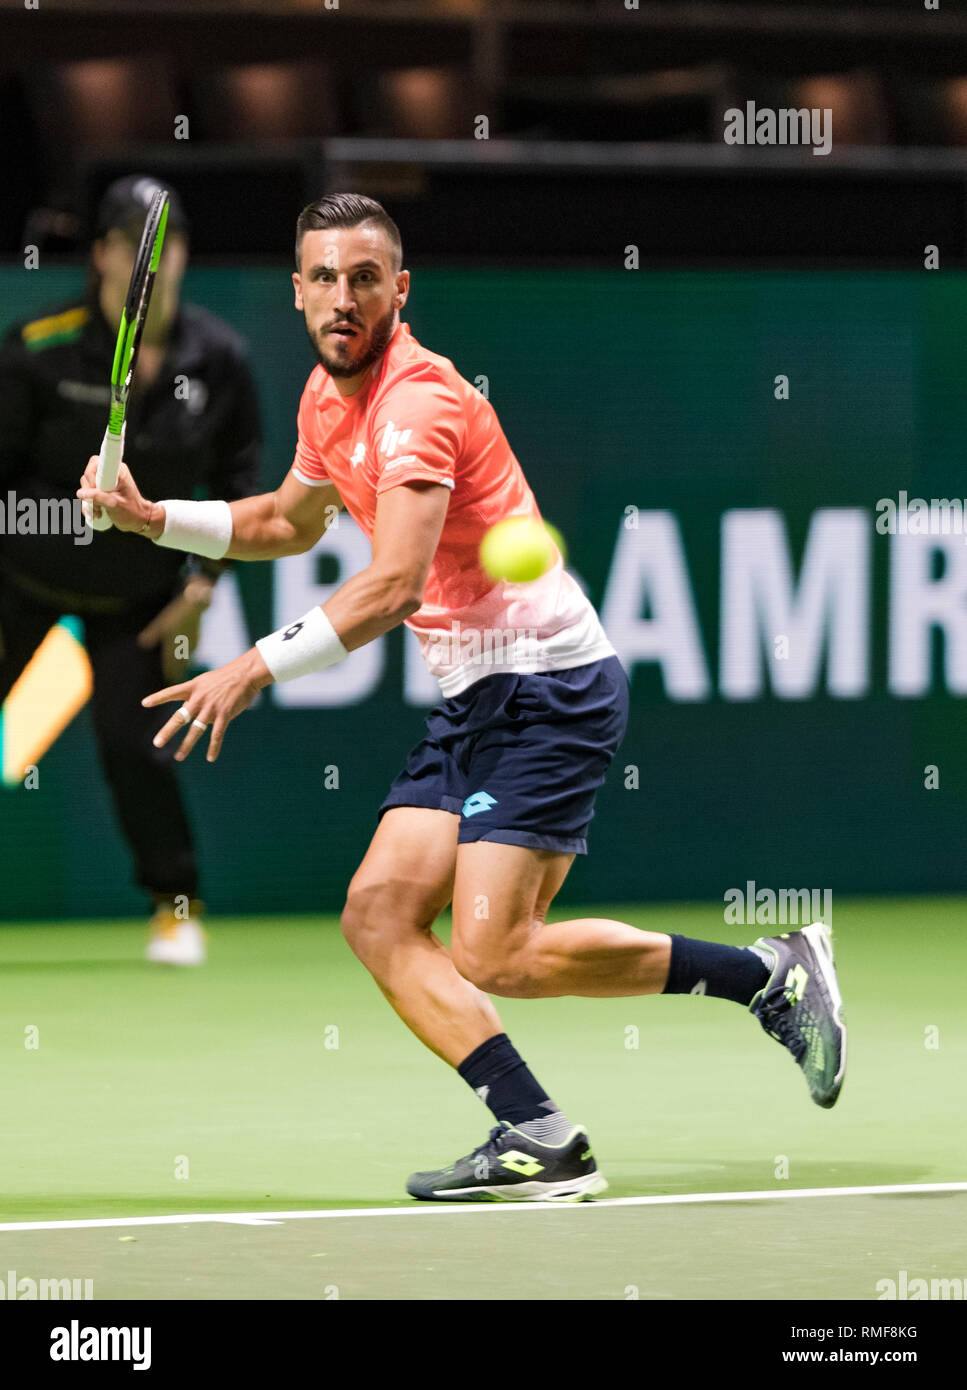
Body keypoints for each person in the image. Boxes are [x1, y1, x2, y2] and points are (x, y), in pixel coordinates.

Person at [77, 193, 847, 1200]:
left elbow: (392, 584)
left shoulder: (418, 401)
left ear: (400, 289)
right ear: (297, 291)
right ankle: (538, 1134)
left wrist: (253, 664)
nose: (342, 297)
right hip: (474, 698)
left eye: (365, 278)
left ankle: (768, 975)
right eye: (323, 278)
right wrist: (152, 518)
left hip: (547, 689)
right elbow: (285, 520)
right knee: (378, 914)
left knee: (498, 950)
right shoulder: (325, 396)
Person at [1, 174, 262, 965]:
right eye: (138, 246)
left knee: (135, 747)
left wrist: (200, 588)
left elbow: (239, 483)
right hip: (21, 583)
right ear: (106, 254)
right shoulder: (36, 350)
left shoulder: (218, 359)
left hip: (139, 596)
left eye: (170, 244)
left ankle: (173, 907)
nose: (157, 261)